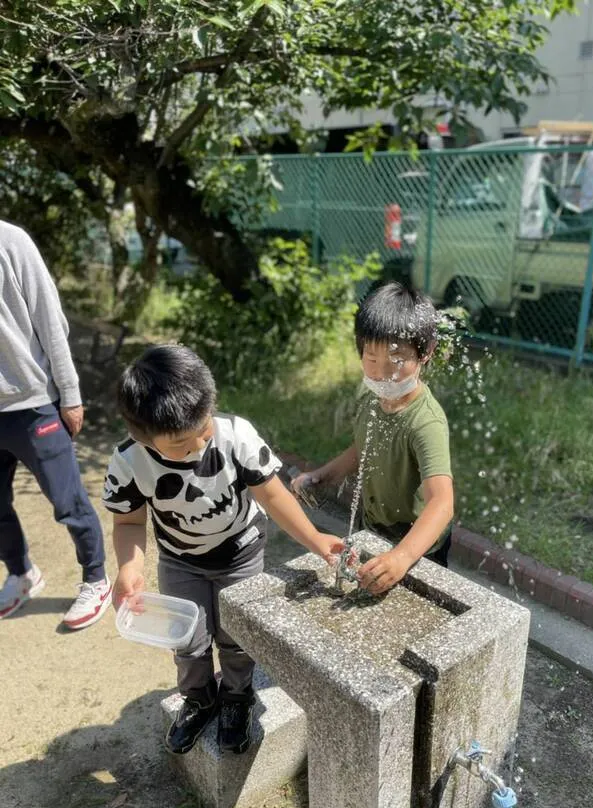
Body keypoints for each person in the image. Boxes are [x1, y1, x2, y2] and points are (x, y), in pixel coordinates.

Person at [103, 344, 345, 756]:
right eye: (182, 442)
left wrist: (316, 538)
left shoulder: (235, 436)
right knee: (187, 637)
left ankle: (237, 696)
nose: (202, 440)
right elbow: (128, 521)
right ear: (141, 436)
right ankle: (199, 698)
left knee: (236, 633)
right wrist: (129, 567)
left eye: (205, 425)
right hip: (181, 559)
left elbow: (272, 495)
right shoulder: (129, 462)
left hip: (241, 552)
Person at [292, 282, 454, 594]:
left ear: (426, 353)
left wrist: (403, 556)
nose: (381, 373)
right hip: (376, 526)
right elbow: (364, 447)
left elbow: (442, 502)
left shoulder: (425, 422)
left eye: (396, 360)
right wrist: (323, 475)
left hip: (418, 543)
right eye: (370, 356)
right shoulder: (374, 398)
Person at [0, 221, 112, 627]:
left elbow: (50, 319)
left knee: (68, 502)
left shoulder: (11, 241)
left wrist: (70, 393)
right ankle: (21, 573)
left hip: (34, 403)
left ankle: (96, 579)